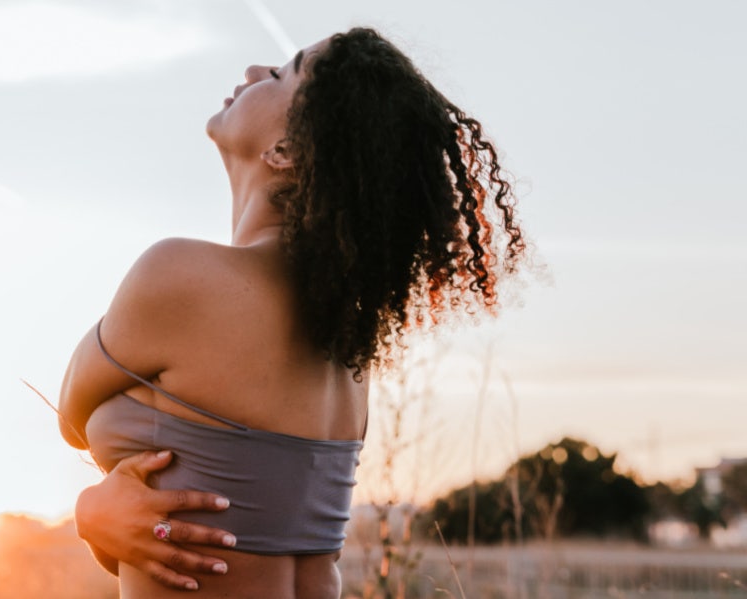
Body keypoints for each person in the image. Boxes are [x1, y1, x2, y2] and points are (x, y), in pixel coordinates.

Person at [57, 27, 526, 598]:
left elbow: (70, 415)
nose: (255, 71)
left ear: (287, 151)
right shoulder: (347, 343)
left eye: (281, 74)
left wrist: (93, 511)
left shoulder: (180, 277)